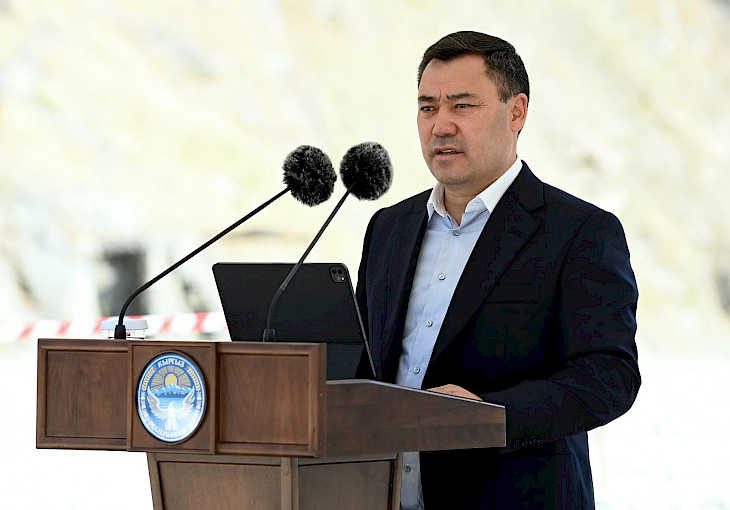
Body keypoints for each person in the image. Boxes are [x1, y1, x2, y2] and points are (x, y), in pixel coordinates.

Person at [355, 31, 640, 509]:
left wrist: (490, 415)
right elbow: (364, 363)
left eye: (462, 106)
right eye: (427, 107)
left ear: (517, 112)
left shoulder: (579, 231)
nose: (440, 125)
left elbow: (609, 375)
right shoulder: (389, 227)